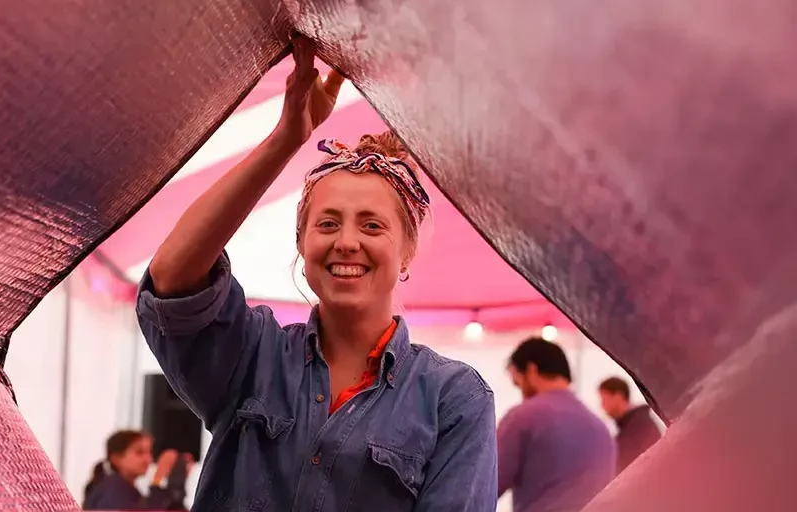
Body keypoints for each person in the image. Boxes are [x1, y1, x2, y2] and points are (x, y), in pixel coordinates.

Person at [135, 34, 497, 511]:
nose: (346, 241)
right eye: (327, 224)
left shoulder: (453, 399)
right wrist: (285, 140)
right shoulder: (254, 356)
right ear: (303, 245)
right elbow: (172, 281)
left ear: (407, 252)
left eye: (372, 225)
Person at [498, 338, 615, 512]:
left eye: (518, 383)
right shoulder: (601, 428)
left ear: (532, 370)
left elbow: (484, 484)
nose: (520, 392)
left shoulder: (523, 417)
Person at [83, 430, 192, 511]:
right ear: (116, 458)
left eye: (149, 452)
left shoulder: (119, 486)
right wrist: (159, 478)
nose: (148, 459)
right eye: (139, 453)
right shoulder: (113, 488)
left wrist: (177, 479)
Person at [598, 376, 662, 474]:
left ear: (618, 396)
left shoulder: (637, 428)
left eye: (604, 399)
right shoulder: (633, 425)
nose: (602, 406)